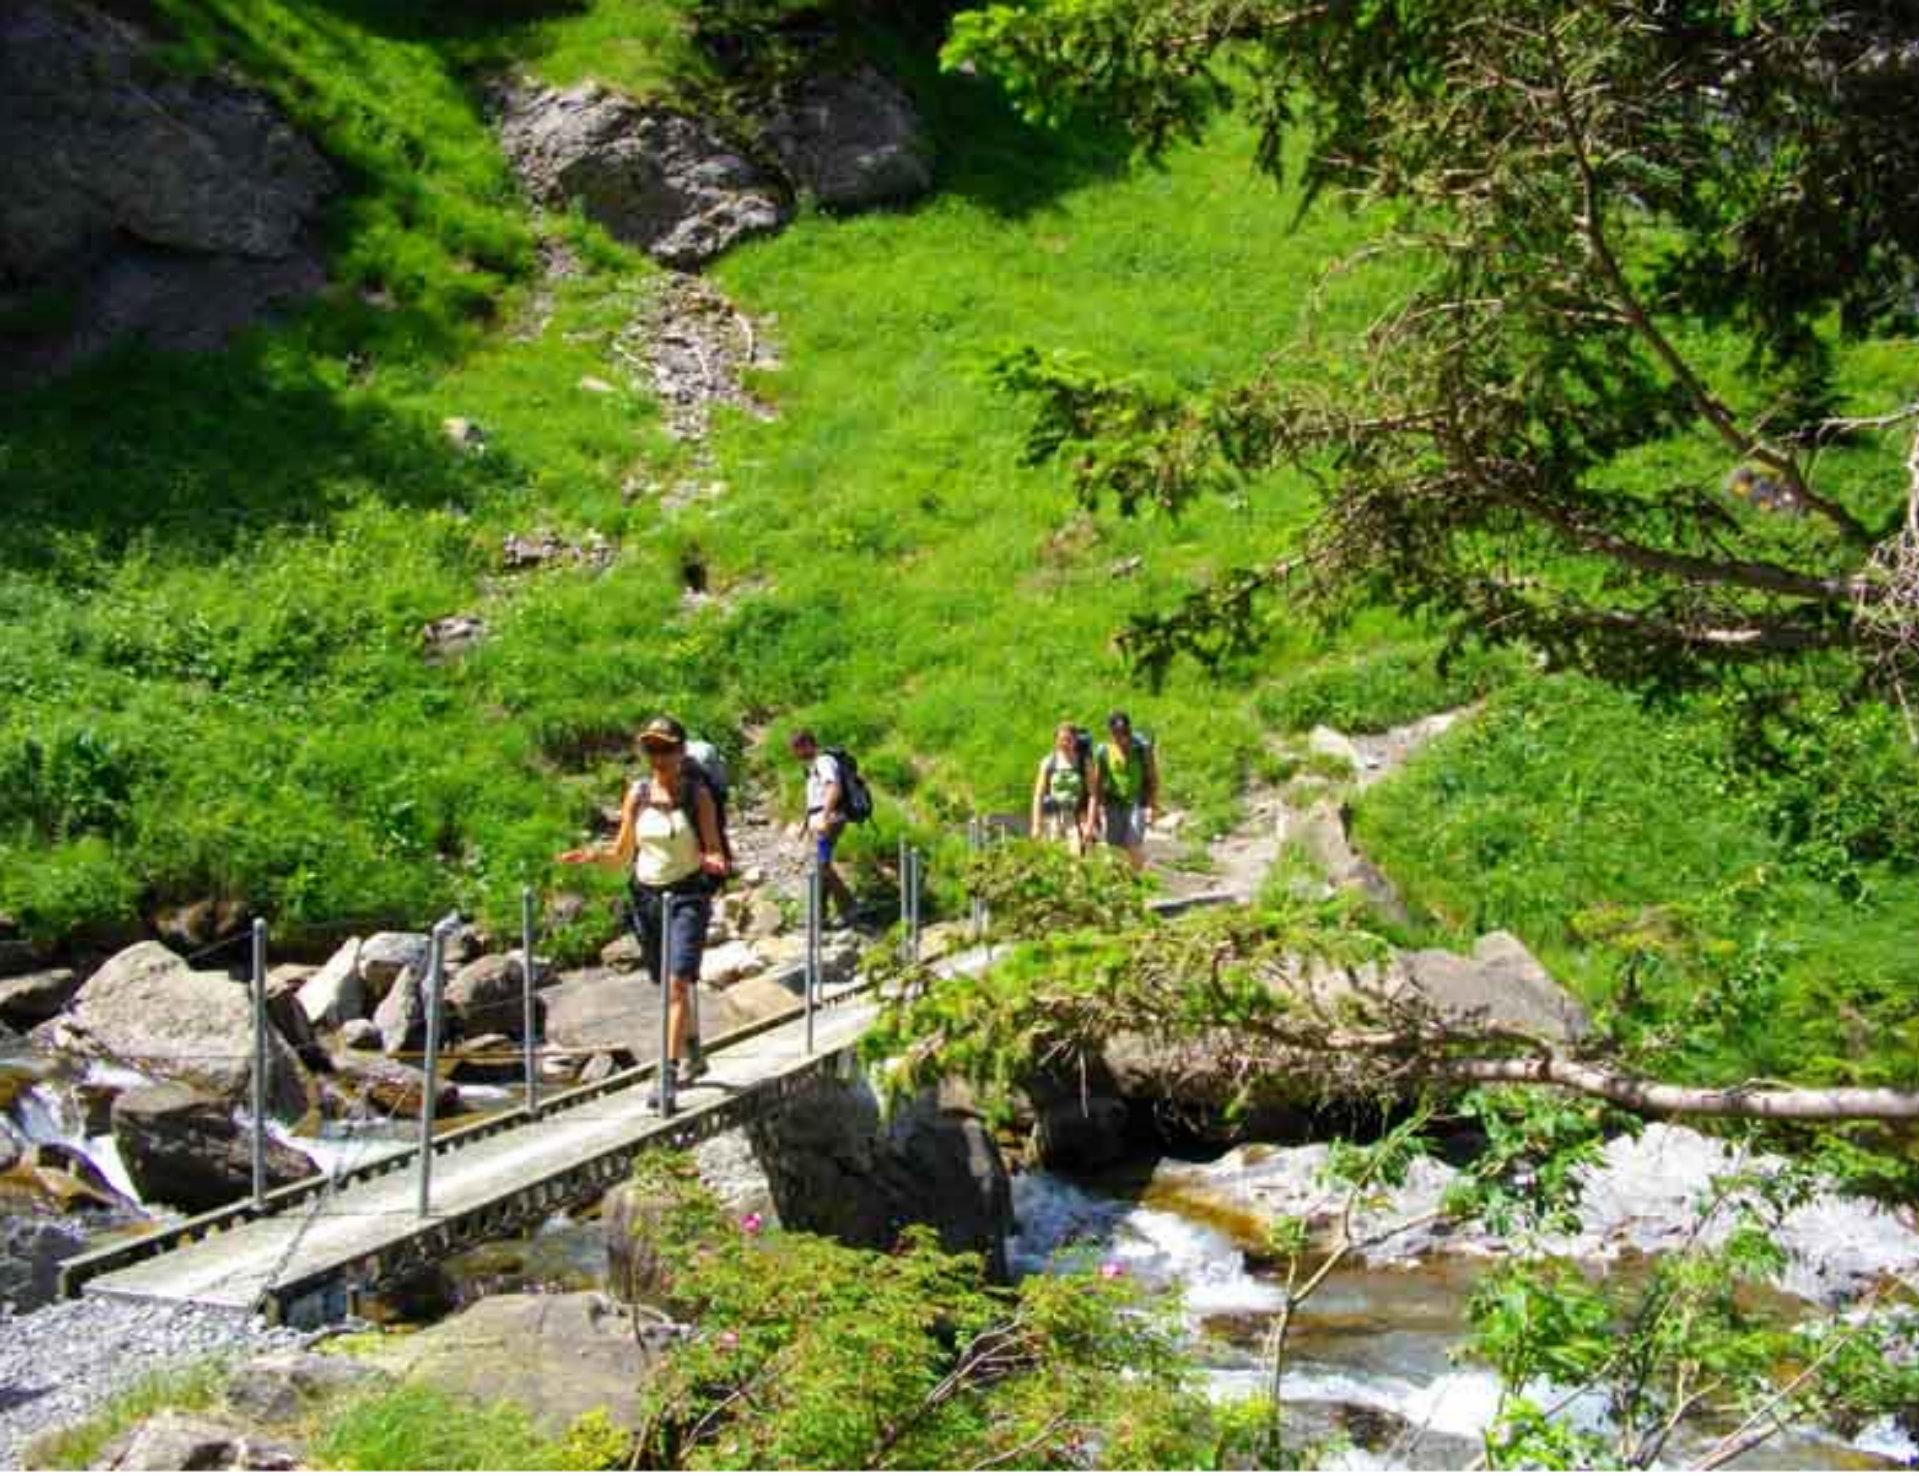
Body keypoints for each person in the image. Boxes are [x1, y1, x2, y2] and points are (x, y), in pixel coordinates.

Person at [558, 715, 727, 1102]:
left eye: (666, 748)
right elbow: (622, 855)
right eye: (651, 748)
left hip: (686, 896)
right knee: (665, 982)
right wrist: (590, 855)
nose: (658, 756)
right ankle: (694, 1048)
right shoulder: (637, 794)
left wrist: (713, 861)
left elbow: (714, 847)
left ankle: (665, 1076)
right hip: (647, 898)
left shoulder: (697, 795)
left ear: (681, 751)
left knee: (677, 982)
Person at [789, 729, 857, 924]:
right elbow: (813, 800)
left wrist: (825, 817)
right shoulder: (812, 767)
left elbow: (833, 788)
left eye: (798, 749)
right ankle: (820, 915)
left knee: (822, 865)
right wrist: (804, 824)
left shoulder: (823, 762)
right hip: (819, 820)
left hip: (829, 820)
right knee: (821, 867)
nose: (796, 754)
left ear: (808, 745)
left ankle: (848, 907)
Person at [1092, 710, 1158, 872]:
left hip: (1137, 802)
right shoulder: (1104, 751)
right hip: (1114, 802)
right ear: (1110, 732)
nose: (1121, 736)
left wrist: (1152, 806)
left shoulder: (1141, 749)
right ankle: (1119, 882)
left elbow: (1152, 778)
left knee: (1133, 843)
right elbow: (1098, 781)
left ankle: (1138, 878)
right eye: (1116, 733)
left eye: (1124, 732)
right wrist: (1096, 809)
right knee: (1114, 846)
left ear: (1129, 730)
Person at [1031, 721, 1092, 853]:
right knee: (1055, 856)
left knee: (1076, 857)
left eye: (1069, 739)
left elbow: (1092, 794)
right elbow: (1038, 795)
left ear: (1075, 740)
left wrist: (1090, 823)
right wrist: (1036, 825)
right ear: (1056, 741)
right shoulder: (1048, 762)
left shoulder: (1083, 763)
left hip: (1075, 818)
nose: (1065, 743)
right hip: (1053, 818)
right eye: (1061, 740)